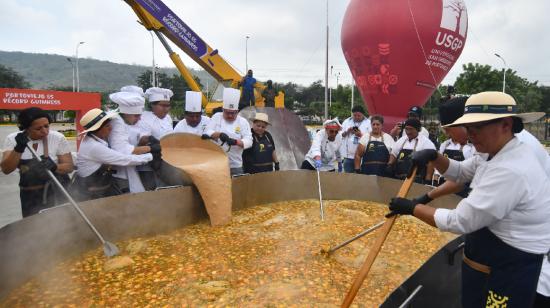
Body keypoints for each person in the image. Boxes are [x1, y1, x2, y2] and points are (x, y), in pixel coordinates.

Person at [388, 91, 550, 307]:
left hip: (510, 267)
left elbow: (460, 221)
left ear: (506, 124)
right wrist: (434, 157)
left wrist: (411, 208)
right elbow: (461, 172)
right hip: (489, 260)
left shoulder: (511, 169)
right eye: (469, 128)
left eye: (478, 127)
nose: (471, 134)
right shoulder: (495, 150)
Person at [1, 107, 74, 217]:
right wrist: (18, 148)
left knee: (60, 223)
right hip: (29, 194)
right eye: (38, 128)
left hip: (56, 190)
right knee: (32, 226)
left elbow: (69, 167)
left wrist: (55, 167)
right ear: (26, 128)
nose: (44, 131)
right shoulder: (13, 139)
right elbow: (6, 169)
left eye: (46, 126)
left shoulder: (57, 138)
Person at [74, 108, 153, 200]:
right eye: (107, 126)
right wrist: (150, 155)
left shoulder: (94, 140)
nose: (111, 128)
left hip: (101, 186)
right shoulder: (94, 146)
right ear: (98, 129)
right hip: (92, 193)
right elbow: (124, 159)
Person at [108, 90, 161, 193]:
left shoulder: (122, 121)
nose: (139, 119)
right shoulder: (117, 123)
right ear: (127, 113)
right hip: (120, 174)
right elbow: (122, 150)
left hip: (128, 169)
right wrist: (150, 149)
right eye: (136, 115)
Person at [205, 88, 253, 176]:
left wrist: (236, 142)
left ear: (237, 111)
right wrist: (219, 134)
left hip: (235, 165)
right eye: (227, 113)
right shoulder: (216, 117)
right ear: (223, 110)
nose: (230, 115)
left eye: (233, 113)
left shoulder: (243, 122)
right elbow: (207, 132)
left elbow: (249, 141)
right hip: (216, 164)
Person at [432, 96, 475, 186]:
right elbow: (461, 174)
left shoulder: (479, 148)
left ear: (465, 125)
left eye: (448, 130)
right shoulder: (445, 145)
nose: (447, 135)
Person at [386, 118, 436, 182]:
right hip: (398, 178)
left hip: (416, 180)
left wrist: (428, 179)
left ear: (418, 129)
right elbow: (394, 154)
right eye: (406, 129)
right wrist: (389, 165)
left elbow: (430, 163)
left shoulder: (427, 143)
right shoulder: (402, 140)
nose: (408, 132)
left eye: (411, 129)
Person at [340, 105, 372, 173]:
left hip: (362, 157)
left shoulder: (369, 123)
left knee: (361, 178)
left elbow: (371, 139)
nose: (356, 117)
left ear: (363, 115)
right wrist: (348, 131)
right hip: (348, 157)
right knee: (348, 178)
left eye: (359, 115)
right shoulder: (346, 121)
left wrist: (360, 135)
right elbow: (340, 136)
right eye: (354, 115)